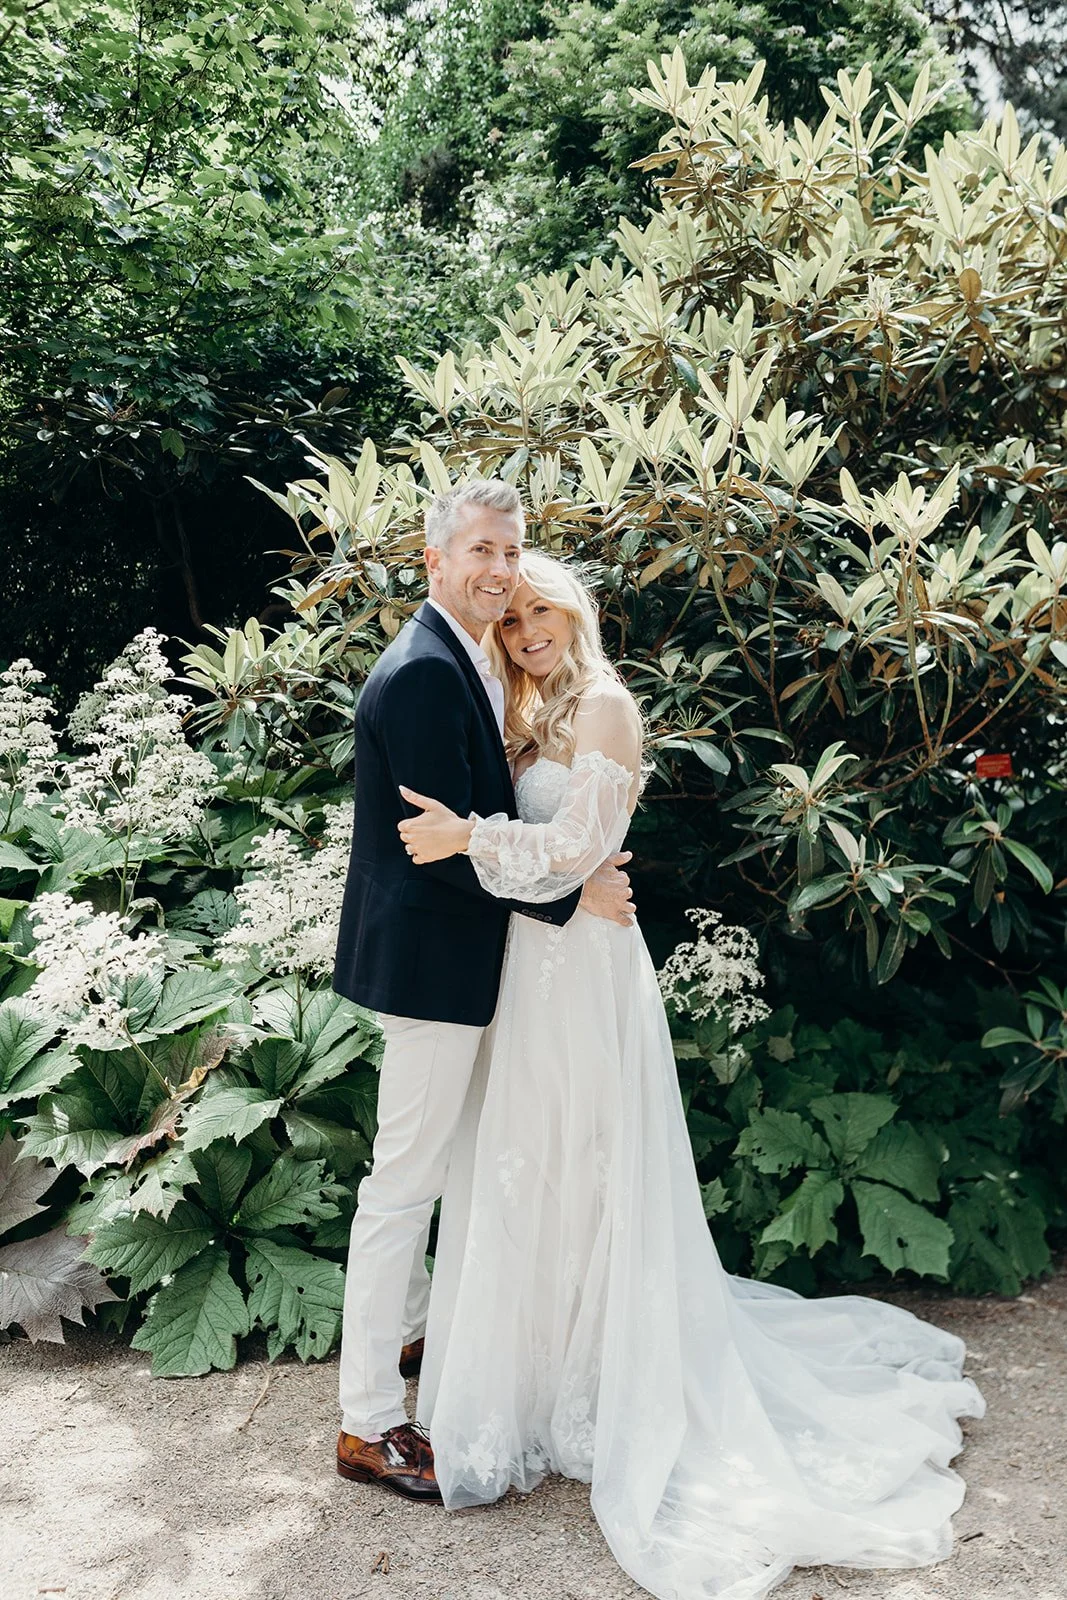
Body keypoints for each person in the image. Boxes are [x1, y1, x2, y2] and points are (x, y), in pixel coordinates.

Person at [397, 549, 986, 1600]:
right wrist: (491, 850)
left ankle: (602, 1381)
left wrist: (465, 838)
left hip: (581, 970)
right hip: (528, 963)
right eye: (514, 614)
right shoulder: (521, 712)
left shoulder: (605, 709)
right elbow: (542, 864)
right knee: (523, 1156)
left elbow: (581, 846)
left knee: (586, 1153)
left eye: (543, 608)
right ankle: (529, 1379)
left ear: (576, 611)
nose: (528, 625)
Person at [331, 481, 636, 1503]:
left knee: (444, 1171)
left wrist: (560, 876)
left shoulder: (473, 658)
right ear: (435, 561)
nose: (499, 571)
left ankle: (423, 1341)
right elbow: (439, 848)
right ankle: (368, 1421)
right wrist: (569, 897)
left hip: (466, 966)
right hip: (430, 972)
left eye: (511, 552)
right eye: (479, 551)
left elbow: (476, 822)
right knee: (400, 1187)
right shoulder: (422, 672)